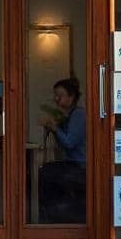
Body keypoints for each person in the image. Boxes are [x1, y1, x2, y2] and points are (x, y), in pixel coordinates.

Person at [39, 77, 87, 224]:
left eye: (60, 95)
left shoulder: (78, 115)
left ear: (71, 97)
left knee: (45, 173)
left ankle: (53, 216)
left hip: (80, 165)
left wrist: (55, 128)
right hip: (73, 163)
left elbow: (69, 143)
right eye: (55, 95)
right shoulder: (69, 115)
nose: (56, 99)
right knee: (46, 170)